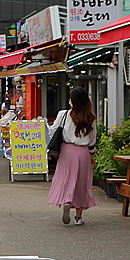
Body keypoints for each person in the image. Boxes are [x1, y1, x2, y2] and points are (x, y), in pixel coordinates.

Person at [48, 87, 98, 226]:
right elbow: (93, 138)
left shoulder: (64, 114)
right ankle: (78, 217)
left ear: (72, 101)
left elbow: (52, 131)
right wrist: (91, 154)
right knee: (82, 182)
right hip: (83, 152)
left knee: (66, 179)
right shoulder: (90, 117)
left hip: (67, 151)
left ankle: (66, 201)